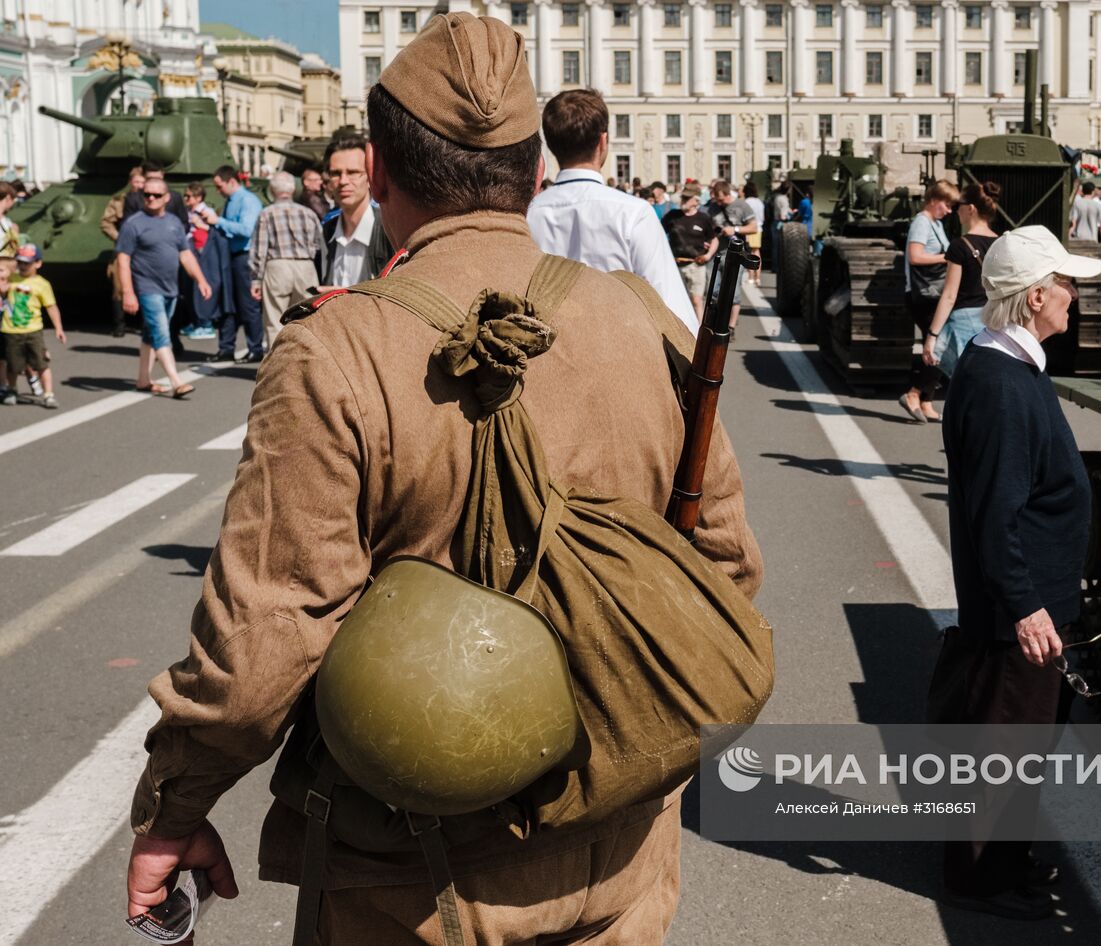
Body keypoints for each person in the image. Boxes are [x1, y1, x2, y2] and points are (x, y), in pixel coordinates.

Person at [123, 11, 761, 944]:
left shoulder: (338, 352)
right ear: (536, 174)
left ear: (376, 173)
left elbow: (266, 642)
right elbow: (726, 568)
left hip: (422, 881)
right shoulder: (642, 324)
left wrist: (172, 808)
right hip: (626, 851)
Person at [935, 225, 1101, 922]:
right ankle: (981, 880)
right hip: (1018, 615)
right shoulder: (1003, 386)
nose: (1074, 296)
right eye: (1066, 285)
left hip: (1025, 605)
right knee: (1005, 745)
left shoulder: (1002, 362)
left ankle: (1005, 860)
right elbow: (995, 517)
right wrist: (1029, 607)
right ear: (1036, 298)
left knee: (1023, 742)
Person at [527, 89, 697, 334]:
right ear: (603, 141)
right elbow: (676, 314)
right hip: (621, 352)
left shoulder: (528, 214)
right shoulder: (633, 213)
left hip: (544, 359)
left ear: (551, 145)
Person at [116, 177, 212, 397]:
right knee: (161, 332)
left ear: (166, 198)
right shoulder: (133, 224)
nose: (150, 198)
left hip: (170, 287)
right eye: (146, 194)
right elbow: (123, 259)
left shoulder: (174, 222)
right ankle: (176, 381)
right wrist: (128, 292)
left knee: (151, 334)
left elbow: (185, 254)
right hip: (147, 288)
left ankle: (143, 380)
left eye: (156, 195)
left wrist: (201, 280)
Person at [924, 182, 1001, 379]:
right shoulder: (1002, 243)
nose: (956, 211)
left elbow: (950, 295)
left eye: (959, 205)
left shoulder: (959, 246)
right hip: (994, 323)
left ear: (971, 209)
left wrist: (932, 336)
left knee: (964, 386)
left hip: (964, 325)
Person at [900, 180, 957, 423]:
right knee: (938, 346)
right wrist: (947, 257)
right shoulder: (921, 223)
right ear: (934, 201)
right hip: (924, 294)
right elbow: (915, 256)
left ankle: (926, 400)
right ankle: (913, 393)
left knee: (938, 345)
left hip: (934, 291)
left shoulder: (935, 223)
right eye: (946, 204)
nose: (949, 210)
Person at [249, 171, 325, 348]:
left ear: (273, 190)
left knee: (275, 321)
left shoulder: (266, 214)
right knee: (307, 319)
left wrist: (256, 279)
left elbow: (260, 249)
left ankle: (277, 369)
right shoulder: (308, 213)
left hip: (277, 266)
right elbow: (318, 244)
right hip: (305, 265)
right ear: (292, 190)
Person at [200, 165, 265, 362]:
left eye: (219, 186)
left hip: (244, 257)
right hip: (232, 255)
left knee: (248, 305)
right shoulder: (231, 200)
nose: (218, 191)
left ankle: (255, 349)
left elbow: (247, 229)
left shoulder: (248, 200)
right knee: (228, 304)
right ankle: (226, 348)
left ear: (231, 181)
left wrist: (217, 221)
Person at [320, 135, 395, 288]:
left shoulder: (390, 231)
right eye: (336, 173)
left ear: (370, 177)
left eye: (353, 172)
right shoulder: (328, 231)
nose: (343, 181)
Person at [2, 245, 66, 408]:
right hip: (11, 330)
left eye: (27, 263)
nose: (23, 266)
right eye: (20, 262)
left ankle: (48, 394)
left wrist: (58, 328)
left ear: (38, 264)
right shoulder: (11, 278)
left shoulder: (42, 284)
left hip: (33, 330)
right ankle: (12, 389)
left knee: (41, 364)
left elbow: (51, 307)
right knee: (13, 365)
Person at [662, 182, 719, 321]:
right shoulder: (672, 216)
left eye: (687, 199)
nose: (683, 201)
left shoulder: (703, 218)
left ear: (696, 201)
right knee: (676, 301)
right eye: (683, 198)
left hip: (696, 265)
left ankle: (698, 333)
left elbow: (714, 240)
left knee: (696, 300)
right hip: (675, 265)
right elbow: (658, 233)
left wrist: (708, 255)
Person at [103, 167, 146, 337]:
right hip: (124, 247)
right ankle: (119, 325)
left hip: (144, 248)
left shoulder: (150, 200)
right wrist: (120, 237)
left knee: (143, 285)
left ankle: (145, 325)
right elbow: (106, 222)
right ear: (130, 183)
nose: (139, 185)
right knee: (118, 286)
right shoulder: (119, 200)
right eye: (136, 182)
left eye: (142, 182)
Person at [182, 183, 228, 339]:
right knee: (190, 288)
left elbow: (215, 231)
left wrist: (200, 224)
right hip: (191, 250)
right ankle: (196, 321)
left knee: (202, 287)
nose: (186, 198)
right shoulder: (190, 211)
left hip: (204, 252)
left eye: (189, 196)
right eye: (185, 195)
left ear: (198, 197)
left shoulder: (205, 211)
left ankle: (206, 324)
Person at [709, 180, 757, 327]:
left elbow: (754, 227)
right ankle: (715, 323)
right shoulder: (713, 207)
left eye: (721, 199)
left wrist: (734, 230)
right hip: (716, 255)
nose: (719, 202)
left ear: (728, 194)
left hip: (736, 256)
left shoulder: (742, 206)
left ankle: (731, 326)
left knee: (733, 293)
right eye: (717, 199)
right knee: (714, 292)